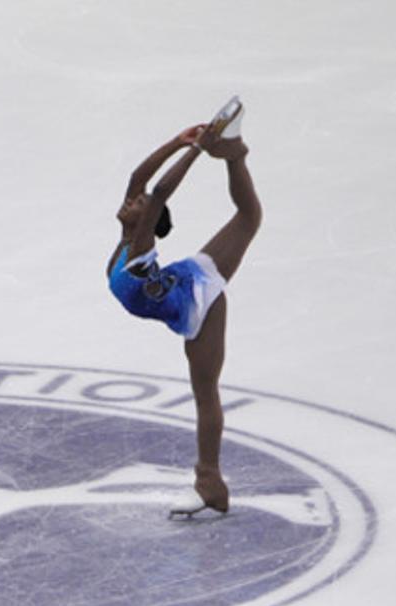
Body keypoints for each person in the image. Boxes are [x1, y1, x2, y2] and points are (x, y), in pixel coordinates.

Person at [106, 97, 262, 517]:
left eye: (138, 205)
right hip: (183, 281)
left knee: (205, 392)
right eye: (133, 201)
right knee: (248, 217)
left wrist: (197, 151)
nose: (131, 201)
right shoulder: (127, 236)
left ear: (147, 223)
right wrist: (178, 141)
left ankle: (209, 482)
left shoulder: (139, 248)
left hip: (197, 302)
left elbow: (158, 192)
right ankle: (235, 153)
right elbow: (140, 179)